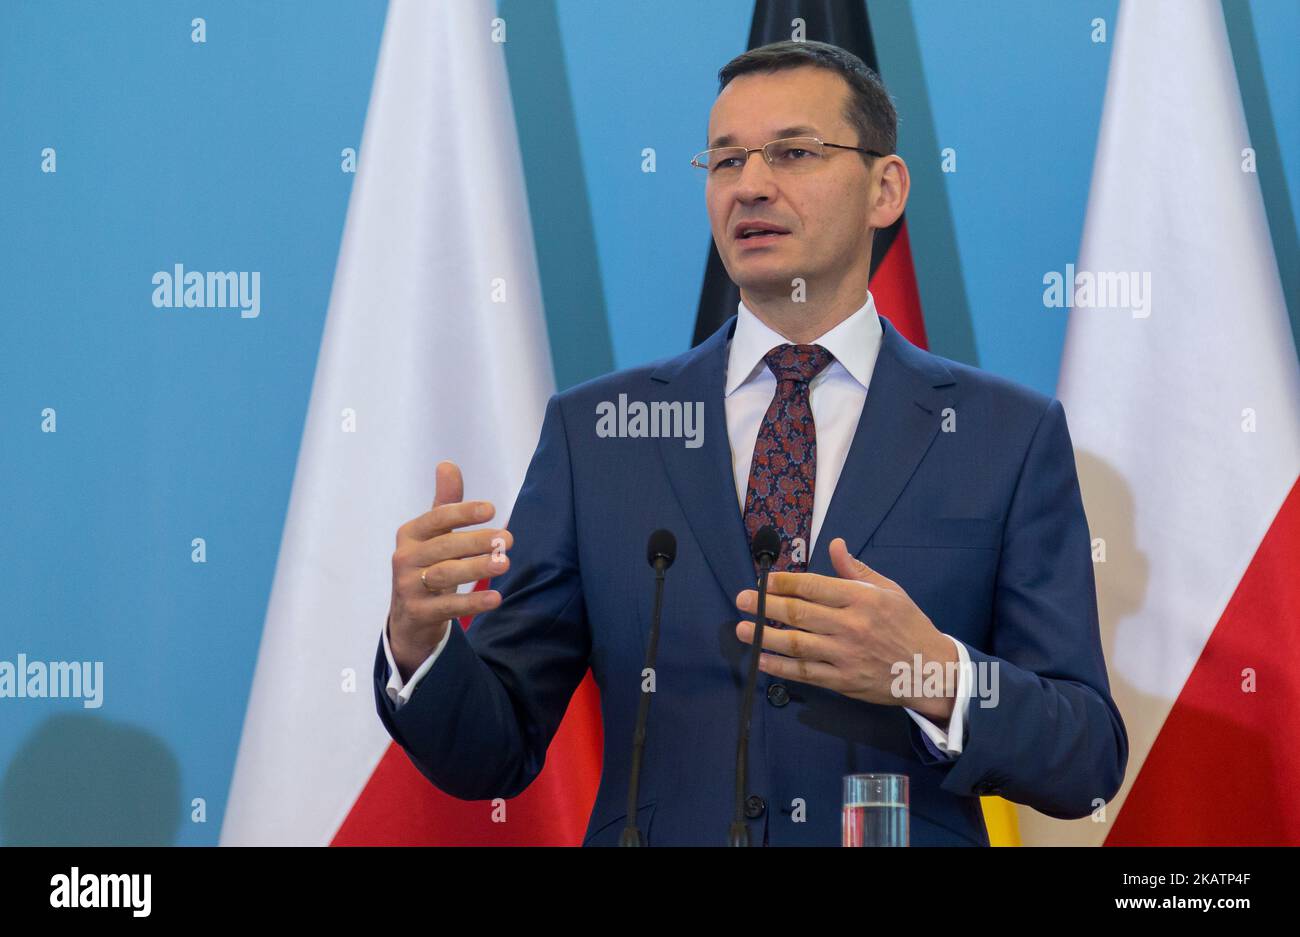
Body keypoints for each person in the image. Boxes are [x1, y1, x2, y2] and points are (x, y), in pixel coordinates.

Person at [374, 39, 1127, 846]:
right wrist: (418, 643)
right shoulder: (599, 434)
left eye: (793, 152)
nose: (751, 185)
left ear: (885, 188)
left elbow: (1085, 757)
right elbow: (493, 750)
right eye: (726, 161)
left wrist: (934, 672)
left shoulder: (1003, 436)